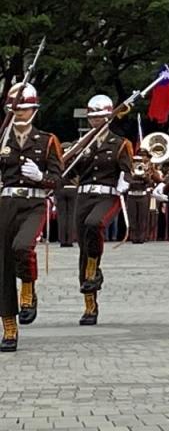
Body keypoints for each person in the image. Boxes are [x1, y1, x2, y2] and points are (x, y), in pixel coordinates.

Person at [0, 82, 63, 352]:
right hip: (6, 203)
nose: (20, 113)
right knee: (3, 267)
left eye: (25, 109)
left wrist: (42, 178)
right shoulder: (2, 137)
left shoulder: (47, 140)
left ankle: (28, 287)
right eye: (16, 109)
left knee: (22, 247)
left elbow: (59, 179)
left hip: (35, 203)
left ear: (34, 110)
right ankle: (9, 329)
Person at [70, 95, 136, 327]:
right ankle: (90, 305)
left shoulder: (120, 144)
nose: (95, 120)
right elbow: (67, 169)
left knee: (94, 224)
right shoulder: (82, 143)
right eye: (92, 116)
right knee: (83, 247)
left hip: (108, 195)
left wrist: (125, 180)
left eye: (100, 116)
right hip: (85, 195)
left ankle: (93, 269)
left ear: (109, 116)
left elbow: (128, 171)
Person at [125, 148, 157, 245]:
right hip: (131, 195)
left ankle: (142, 237)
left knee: (143, 217)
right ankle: (134, 237)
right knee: (132, 217)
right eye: (136, 161)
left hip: (143, 195)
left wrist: (144, 176)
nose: (138, 162)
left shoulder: (146, 168)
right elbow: (126, 181)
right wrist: (134, 176)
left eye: (141, 158)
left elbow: (152, 182)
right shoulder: (129, 170)